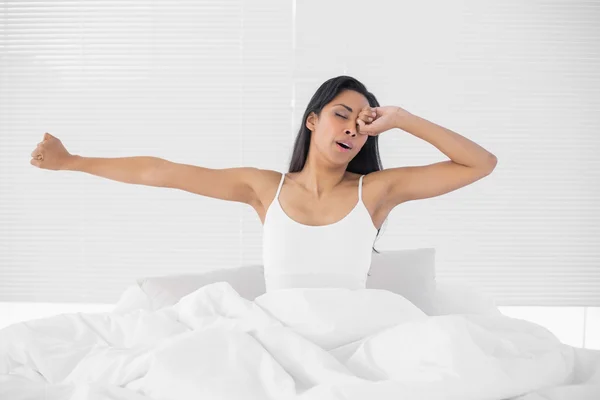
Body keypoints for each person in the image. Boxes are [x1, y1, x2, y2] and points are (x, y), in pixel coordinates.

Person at [30, 75, 497, 292]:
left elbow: (479, 164)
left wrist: (405, 119)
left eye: (364, 122)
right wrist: (72, 161)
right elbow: (162, 171)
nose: (353, 127)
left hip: (357, 339)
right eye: (341, 115)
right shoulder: (264, 188)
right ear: (313, 120)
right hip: (278, 337)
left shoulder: (374, 191)